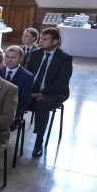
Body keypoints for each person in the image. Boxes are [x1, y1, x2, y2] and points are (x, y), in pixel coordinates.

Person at [25, 27, 73, 157]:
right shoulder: (35, 53)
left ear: (55, 42)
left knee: (41, 102)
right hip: (34, 89)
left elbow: (61, 83)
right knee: (13, 95)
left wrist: (39, 93)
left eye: (45, 39)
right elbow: (27, 73)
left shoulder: (65, 58)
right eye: (40, 38)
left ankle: (38, 142)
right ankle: (9, 128)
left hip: (55, 92)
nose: (41, 41)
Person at [0, 45, 34, 121]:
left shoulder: (28, 76)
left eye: (13, 57)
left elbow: (23, 100)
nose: (9, 60)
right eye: (7, 57)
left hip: (14, 110)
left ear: (21, 58)